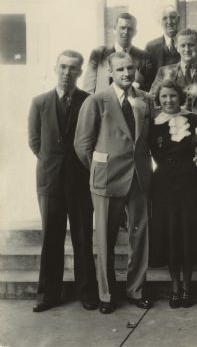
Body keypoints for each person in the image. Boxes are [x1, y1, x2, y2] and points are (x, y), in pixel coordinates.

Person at [74, 52, 154, 314]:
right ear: (111, 71)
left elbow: (148, 138)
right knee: (106, 240)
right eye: (120, 69)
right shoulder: (97, 101)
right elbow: (83, 145)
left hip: (139, 177)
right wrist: (101, 167)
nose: (126, 73)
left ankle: (136, 289)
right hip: (107, 179)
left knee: (140, 236)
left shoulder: (145, 99)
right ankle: (106, 295)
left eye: (130, 68)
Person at [27, 50, 98, 312]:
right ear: (56, 68)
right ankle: (48, 295)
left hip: (80, 181)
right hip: (50, 182)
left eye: (73, 68)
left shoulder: (88, 101)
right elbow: (35, 142)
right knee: (51, 239)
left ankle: (87, 293)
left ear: (80, 72)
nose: (67, 73)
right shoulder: (39, 102)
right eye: (63, 67)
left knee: (83, 239)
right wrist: (54, 165)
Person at [149, 80, 197, 308]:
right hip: (163, 184)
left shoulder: (193, 119)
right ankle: (174, 287)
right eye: (164, 96)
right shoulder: (153, 123)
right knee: (171, 236)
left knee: (186, 234)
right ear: (158, 99)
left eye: (172, 96)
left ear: (180, 97)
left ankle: (187, 287)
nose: (168, 100)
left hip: (189, 183)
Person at [150, 28, 197, 129]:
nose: (187, 49)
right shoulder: (164, 72)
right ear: (176, 47)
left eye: (191, 45)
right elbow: (152, 103)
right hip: (172, 131)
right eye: (183, 45)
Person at [83, 12, 155, 93]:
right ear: (114, 29)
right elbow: (88, 88)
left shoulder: (144, 57)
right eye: (122, 28)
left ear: (135, 32)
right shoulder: (99, 53)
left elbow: (149, 89)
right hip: (102, 104)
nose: (126, 32)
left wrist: (138, 83)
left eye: (130, 29)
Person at [145, 5, 197, 71]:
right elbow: (146, 76)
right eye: (165, 18)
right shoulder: (151, 47)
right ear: (160, 22)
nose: (169, 22)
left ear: (179, 19)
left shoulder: (194, 43)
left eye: (173, 17)